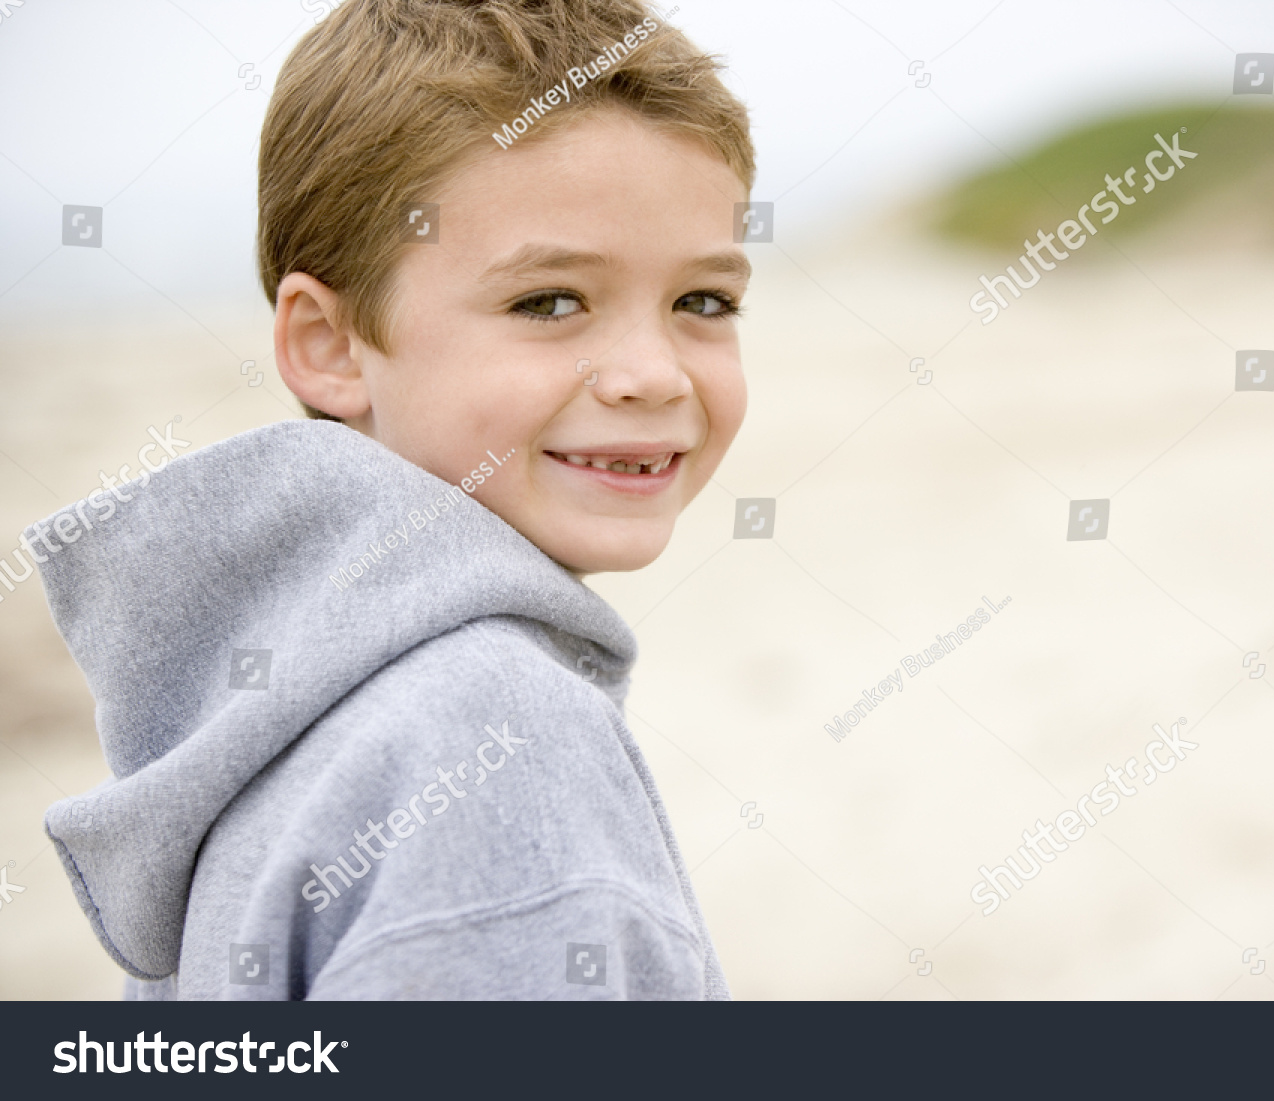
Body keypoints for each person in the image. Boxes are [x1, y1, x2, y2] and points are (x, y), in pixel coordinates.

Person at [38, 0, 754, 999]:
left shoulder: (264, 699)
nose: (654, 374)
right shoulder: (497, 737)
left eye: (703, 303)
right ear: (329, 346)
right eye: (549, 301)